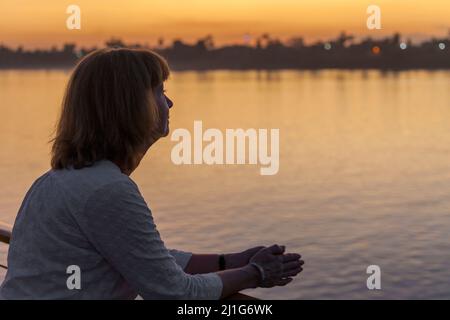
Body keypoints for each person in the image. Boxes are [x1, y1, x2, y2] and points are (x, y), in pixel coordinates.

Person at [0, 48, 304, 299]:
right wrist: (256, 273)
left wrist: (230, 260)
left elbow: (140, 255)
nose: (170, 103)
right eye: (160, 91)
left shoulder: (56, 181)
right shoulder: (106, 190)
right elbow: (173, 292)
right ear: (131, 106)